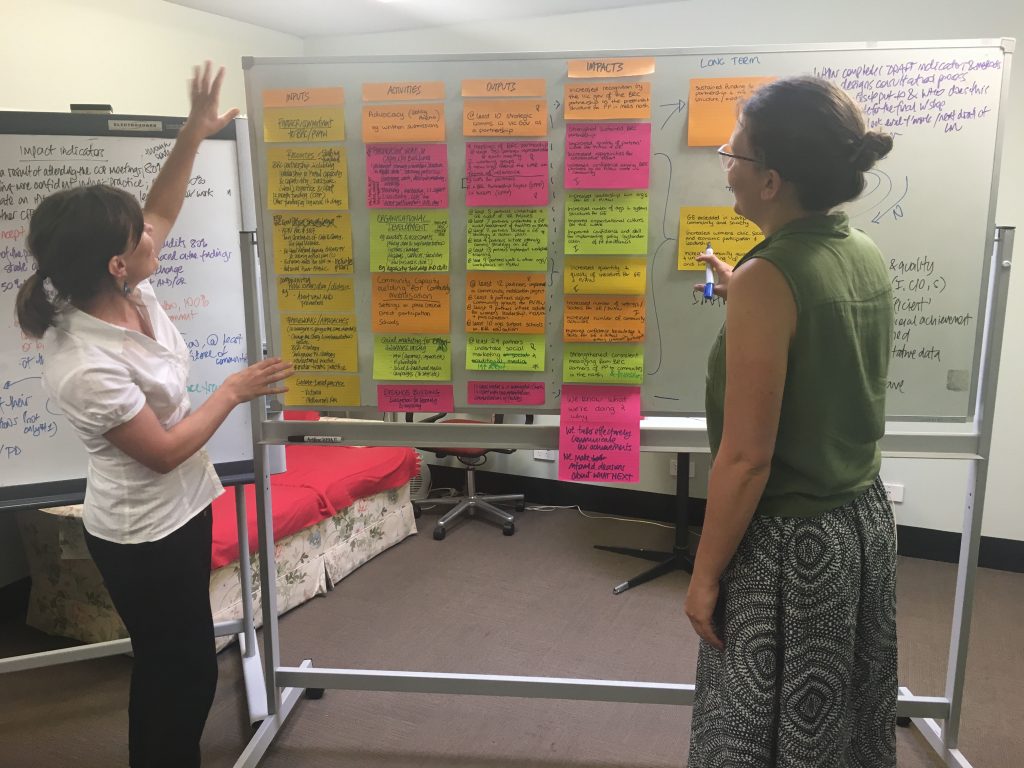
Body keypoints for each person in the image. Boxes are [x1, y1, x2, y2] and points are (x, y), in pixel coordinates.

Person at [15, 62, 292, 768]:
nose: (153, 234)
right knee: (183, 672)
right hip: (142, 532)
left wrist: (193, 135)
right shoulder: (83, 361)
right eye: (137, 234)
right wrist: (232, 391)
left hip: (182, 508)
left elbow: (161, 208)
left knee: (178, 663)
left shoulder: (126, 288)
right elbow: (164, 451)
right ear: (115, 262)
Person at [684, 76, 897, 767]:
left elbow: (747, 459)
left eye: (734, 156)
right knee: (834, 719)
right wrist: (739, 286)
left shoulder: (770, 278)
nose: (726, 167)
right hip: (857, 529)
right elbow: (813, 357)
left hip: (790, 547)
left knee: (755, 727)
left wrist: (704, 575)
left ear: (771, 180)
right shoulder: (858, 251)